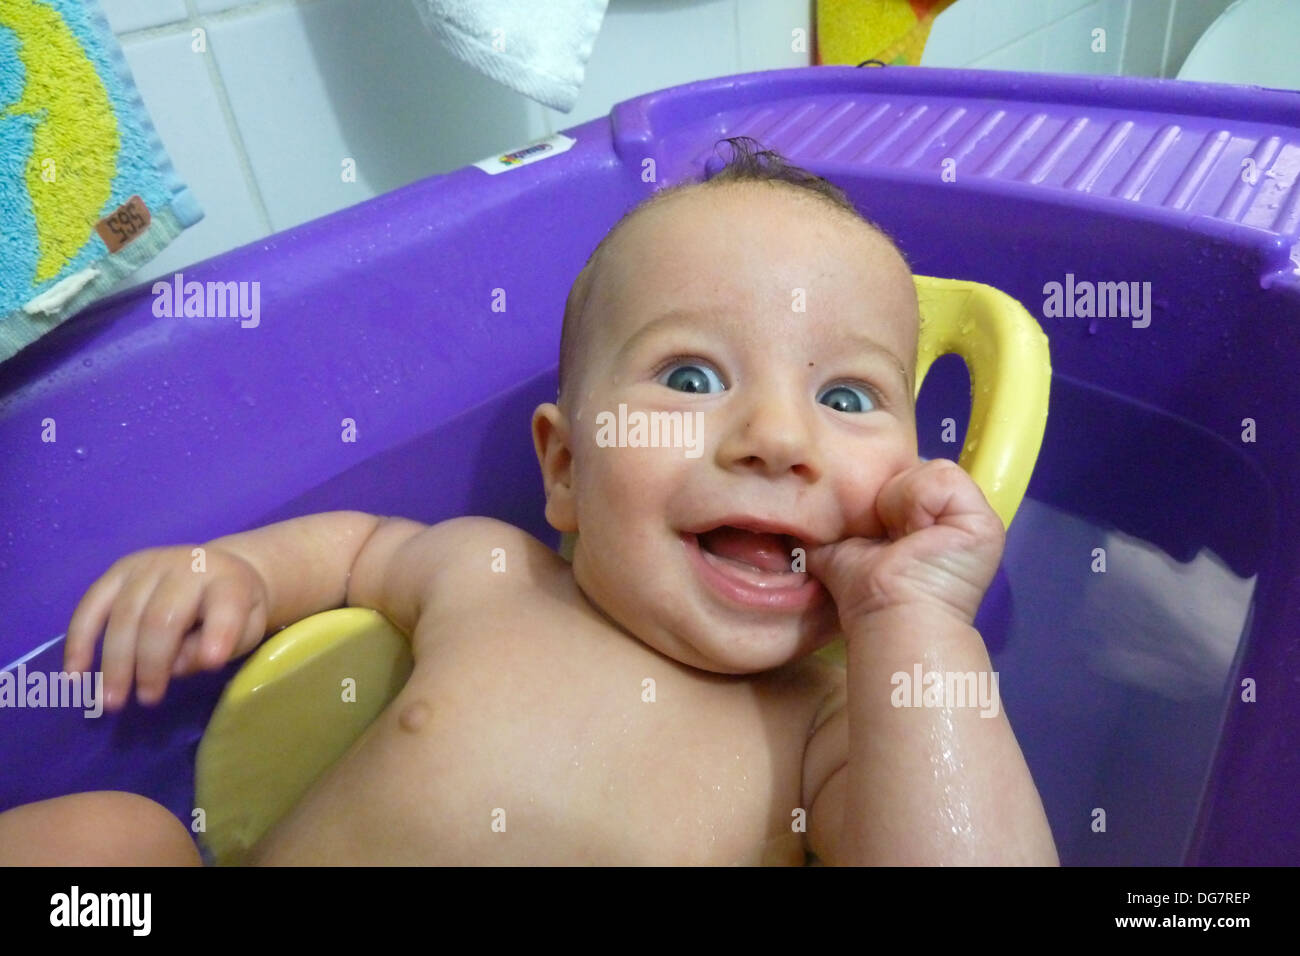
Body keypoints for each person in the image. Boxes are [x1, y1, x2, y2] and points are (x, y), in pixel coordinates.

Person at [0, 138, 1058, 866]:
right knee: (113, 840)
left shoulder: (829, 729)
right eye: (690, 378)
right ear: (563, 468)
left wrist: (913, 620)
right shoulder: (490, 573)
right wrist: (230, 569)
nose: (778, 438)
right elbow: (358, 545)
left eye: (845, 396)